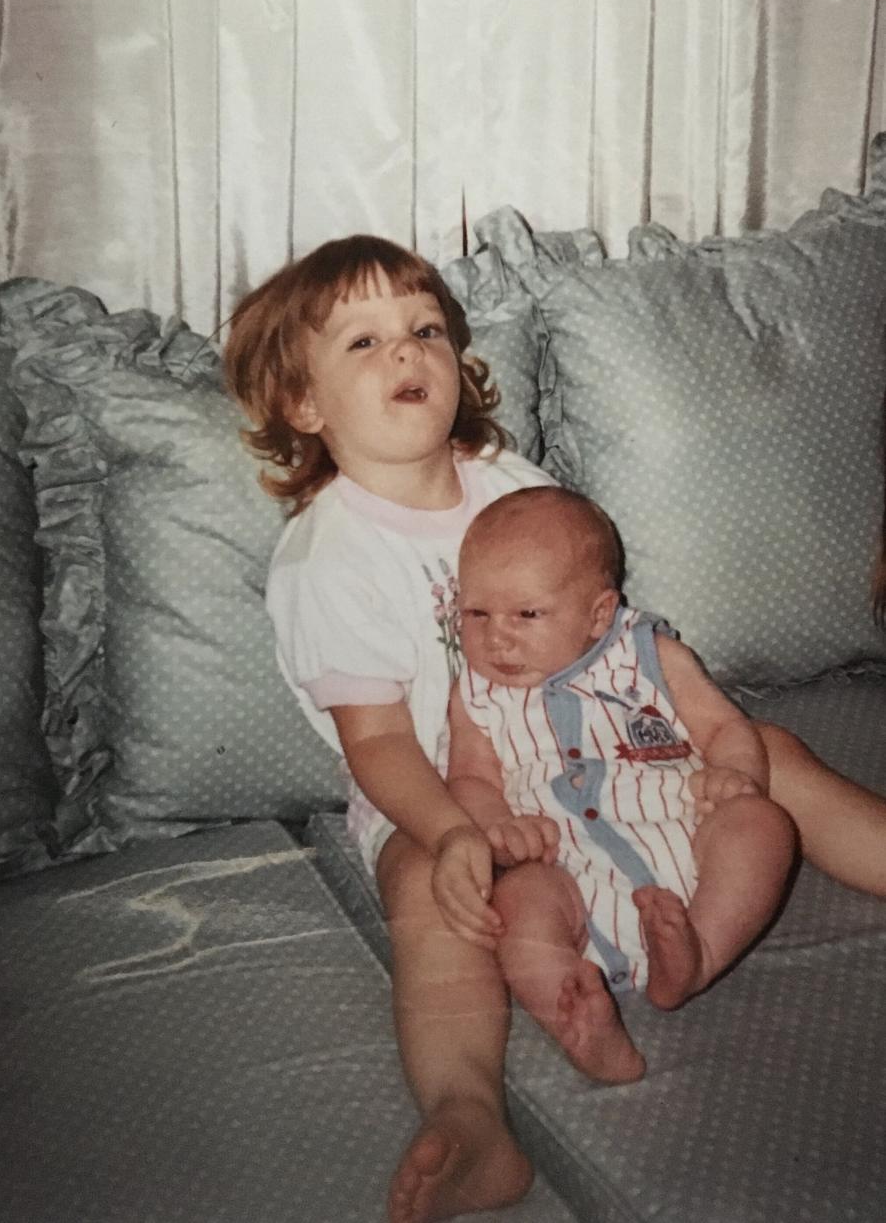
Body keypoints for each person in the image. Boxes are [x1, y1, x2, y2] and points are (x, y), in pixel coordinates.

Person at [222, 233, 886, 1223]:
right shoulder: (330, 554)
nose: (407, 353)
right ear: (303, 403)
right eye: (363, 342)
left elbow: (595, 611)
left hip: (601, 737)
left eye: (426, 328)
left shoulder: (500, 475)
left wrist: (701, 742)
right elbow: (379, 745)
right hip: (445, 790)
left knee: (770, 757)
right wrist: (454, 830)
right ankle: (471, 1114)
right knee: (424, 890)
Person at [446, 486, 795, 1084]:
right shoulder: (476, 693)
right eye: (477, 614)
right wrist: (497, 826)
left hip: (688, 849)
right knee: (517, 904)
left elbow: (724, 726)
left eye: (526, 614)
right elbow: (471, 777)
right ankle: (580, 1020)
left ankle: (697, 955)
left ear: (599, 615)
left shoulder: (649, 656)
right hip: (564, 875)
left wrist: (733, 777)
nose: (497, 637)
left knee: (765, 826)